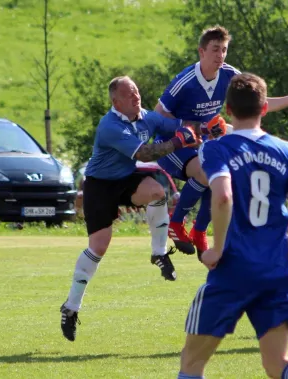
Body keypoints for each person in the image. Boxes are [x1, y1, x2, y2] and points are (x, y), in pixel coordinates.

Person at [177, 73, 288, 379]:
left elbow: (222, 196)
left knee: (191, 364)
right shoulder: (286, 150)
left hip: (233, 270)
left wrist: (216, 248)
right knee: (277, 365)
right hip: (274, 271)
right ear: (263, 108)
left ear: (228, 110)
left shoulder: (218, 148)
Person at [60, 76, 210, 342]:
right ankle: (70, 308)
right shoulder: (110, 126)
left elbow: (180, 125)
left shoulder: (146, 117)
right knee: (99, 246)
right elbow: (146, 154)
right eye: (130, 95)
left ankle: (159, 253)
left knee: (156, 192)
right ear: (116, 102)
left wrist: (208, 127)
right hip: (100, 185)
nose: (136, 97)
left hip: (125, 177)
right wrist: (179, 142)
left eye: (137, 92)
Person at [154, 25, 288, 257]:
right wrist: (192, 127)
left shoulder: (229, 74)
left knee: (221, 176)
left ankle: (199, 231)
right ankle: (176, 223)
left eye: (224, 50)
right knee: (206, 173)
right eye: (215, 50)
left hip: (201, 142)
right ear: (201, 52)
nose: (220, 56)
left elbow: (258, 103)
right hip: (171, 145)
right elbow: (156, 117)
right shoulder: (186, 81)